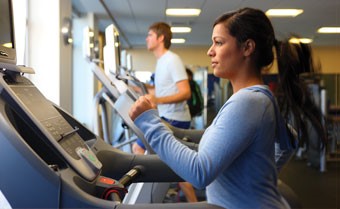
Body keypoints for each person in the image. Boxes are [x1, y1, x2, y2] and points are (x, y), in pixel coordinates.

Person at [129, 8, 326, 209]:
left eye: (219, 42)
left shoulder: (248, 102)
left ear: (247, 47)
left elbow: (199, 173)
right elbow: (288, 140)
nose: (210, 51)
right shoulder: (259, 98)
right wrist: (250, 177)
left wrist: (150, 123)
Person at [131, 22, 198, 203]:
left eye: (150, 35)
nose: (147, 38)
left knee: (140, 149)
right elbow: (161, 90)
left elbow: (185, 92)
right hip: (168, 116)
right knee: (175, 167)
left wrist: (157, 100)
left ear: (160, 38)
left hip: (175, 119)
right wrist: (138, 87)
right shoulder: (161, 62)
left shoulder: (171, 59)